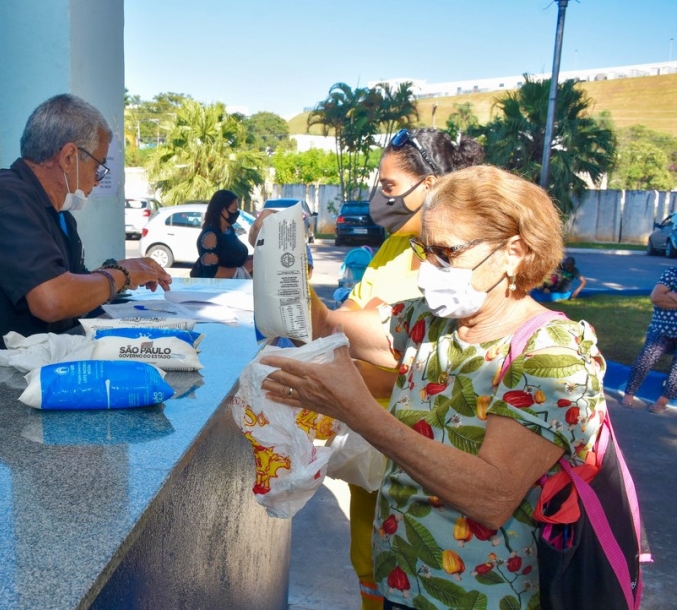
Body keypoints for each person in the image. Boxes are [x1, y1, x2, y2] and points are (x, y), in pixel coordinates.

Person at [260, 165, 607, 609]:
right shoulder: (428, 322)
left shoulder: (553, 356)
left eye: (446, 252)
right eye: (425, 249)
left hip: (480, 597)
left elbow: (491, 495)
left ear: (514, 252)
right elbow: (324, 327)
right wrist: (281, 254)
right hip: (403, 584)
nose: (427, 269)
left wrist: (356, 411)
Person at [326, 128, 484, 610]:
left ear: (434, 185)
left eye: (390, 187)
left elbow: (415, 365)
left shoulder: (464, 270)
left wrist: (341, 380)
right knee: (371, 563)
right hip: (373, 440)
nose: (380, 199)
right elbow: (346, 327)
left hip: (420, 448)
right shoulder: (397, 243)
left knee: (423, 571)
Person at [0, 94, 172, 382]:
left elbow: (75, 290)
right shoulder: (5, 200)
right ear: (68, 158)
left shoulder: (60, 213)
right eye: (98, 166)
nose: (98, 179)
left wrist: (122, 274)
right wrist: (121, 274)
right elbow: (53, 300)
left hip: (44, 373)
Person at [621, 266, 677, 414]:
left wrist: (671, 295)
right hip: (661, 328)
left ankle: (663, 400)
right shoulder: (672, 272)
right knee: (647, 356)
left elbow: (662, 297)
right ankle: (629, 393)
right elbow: (656, 297)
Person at [190, 189, 253, 278]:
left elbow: (231, 256)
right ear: (223, 210)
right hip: (218, 289)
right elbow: (212, 272)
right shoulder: (210, 236)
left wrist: (250, 259)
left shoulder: (229, 230)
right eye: (234, 209)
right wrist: (243, 269)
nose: (237, 213)